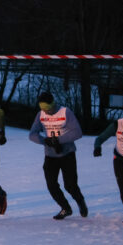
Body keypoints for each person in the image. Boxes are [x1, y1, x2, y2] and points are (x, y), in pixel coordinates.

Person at [29, 91, 88, 220]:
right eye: (43, 109)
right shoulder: (40, 115)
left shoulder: (65, 112)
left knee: (70, 185)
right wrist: (45, 141)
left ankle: (80, 201)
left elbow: (77, 132)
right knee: (51, 185)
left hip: (67, 153)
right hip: (50, 155)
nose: (46, 111)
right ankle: (65, 208)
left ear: (53, 104)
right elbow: (32, 134)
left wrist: (58, 140)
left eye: (48, 108)